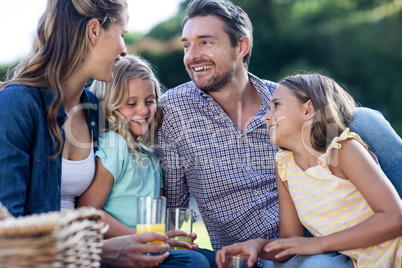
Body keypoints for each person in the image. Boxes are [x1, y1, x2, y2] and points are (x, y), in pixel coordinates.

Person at [154, 0, 402, 267]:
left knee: (364, 118)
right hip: (261, 250)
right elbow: (172, 203)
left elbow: (336, 152)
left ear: (241, 47)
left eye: (205, 42)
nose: (192, 55)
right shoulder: (173, 110)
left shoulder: (284, 101)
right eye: (186, 45)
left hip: (325, 225)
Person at [0, 1, 200, 267]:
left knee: (196, 260)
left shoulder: (93, 109)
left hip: (87, 253)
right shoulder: (18, 103)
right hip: (50, 259)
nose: (125, 49)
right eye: (122, 34)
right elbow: (6, 238)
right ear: (94, 31)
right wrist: (104, 251)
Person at [215, 73, 402, 268]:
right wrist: (258, 246)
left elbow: (395, 217)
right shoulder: (285, 168)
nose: (265, 118)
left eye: (276, 105)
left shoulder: (342, 150)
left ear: (308, 109)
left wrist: (319, 243)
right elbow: (293, 242)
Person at [77, 54, 209, 267]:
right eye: (132, 103)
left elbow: (158, 223)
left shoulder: (152, 158)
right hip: (117, 253)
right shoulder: (114, 145)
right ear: (110, 106)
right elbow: (88, 212)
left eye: (150, 101)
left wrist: (170, 238)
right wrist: (139, 240)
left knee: (216, 259)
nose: (144, 110)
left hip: (148, 249)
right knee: (196, 263)